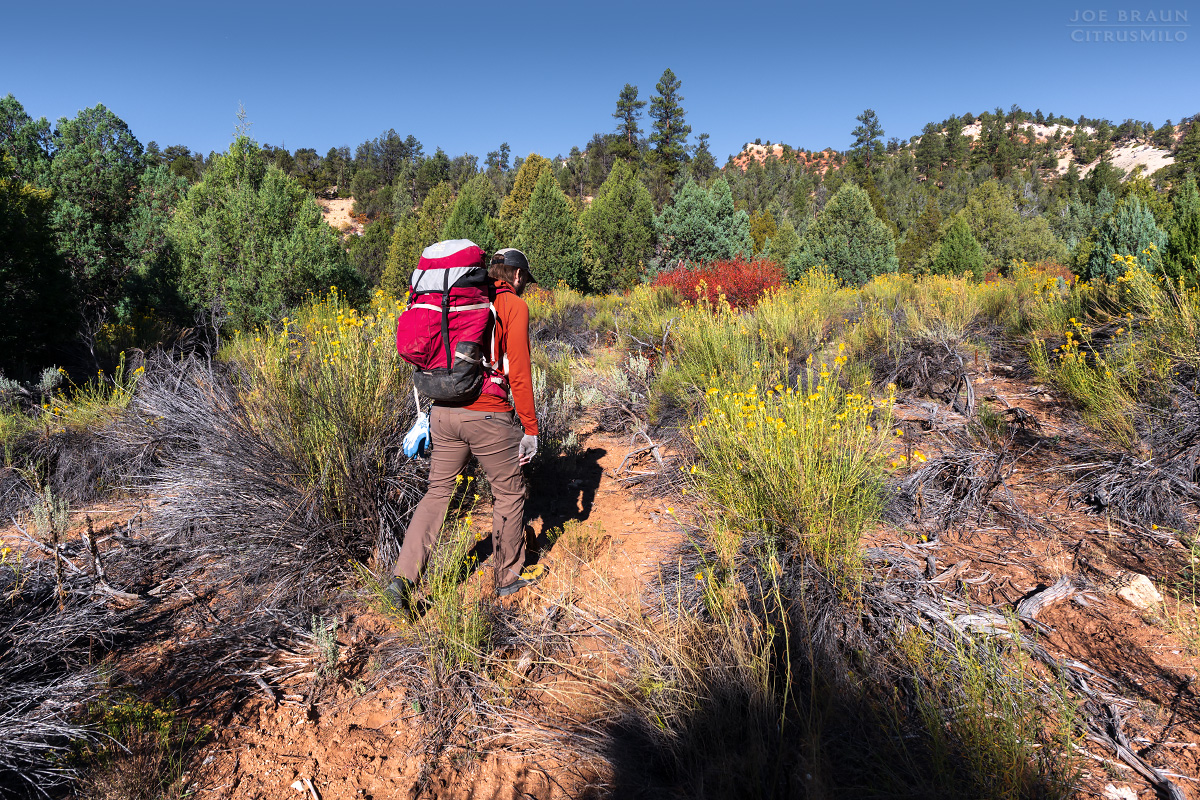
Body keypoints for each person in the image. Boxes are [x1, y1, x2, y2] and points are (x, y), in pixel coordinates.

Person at [387, 248, 543, 608]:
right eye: (525, 282)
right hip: (488, 415)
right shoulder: (512, 306)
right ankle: (507, 578)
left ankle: (403, 578)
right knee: (508, 493)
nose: (525, 288)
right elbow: (518, 371)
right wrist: (530, 429)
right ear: (517, 276)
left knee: (438, 493)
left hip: (442, 412)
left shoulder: (461, 298)